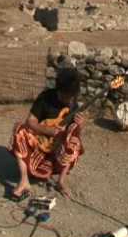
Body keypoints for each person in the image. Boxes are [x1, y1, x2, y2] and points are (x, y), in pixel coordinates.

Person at [8, 68, 85, 200]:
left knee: (74, 137)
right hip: (38, 148)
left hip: (57, 155)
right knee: (19, 130)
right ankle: (24, 180)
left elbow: (75, 134)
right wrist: (49, 131)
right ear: (58, 90)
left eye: (71, 96)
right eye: (65, 95)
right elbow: (30, 121)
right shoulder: (45, 97)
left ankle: (61, 181)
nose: (69, 99)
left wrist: (80, 125)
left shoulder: (73, 104)